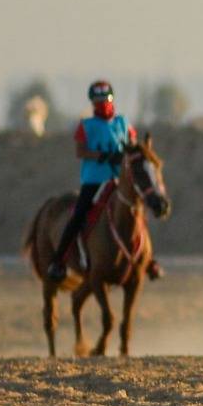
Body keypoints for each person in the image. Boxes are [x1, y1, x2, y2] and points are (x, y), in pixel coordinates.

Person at [46, 81, 162, 282]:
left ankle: (148, 259)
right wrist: (104, 156)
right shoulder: (86, 126)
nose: (103, 104)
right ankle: (59, 260)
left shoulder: (123, 123)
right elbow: (80, 151)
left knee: (138, 213)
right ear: (92, 102)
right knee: (78, 215)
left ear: (112, 99)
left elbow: (133, 147)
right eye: (98, 101)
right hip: (95, 180)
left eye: (106, 99)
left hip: (119, 180)